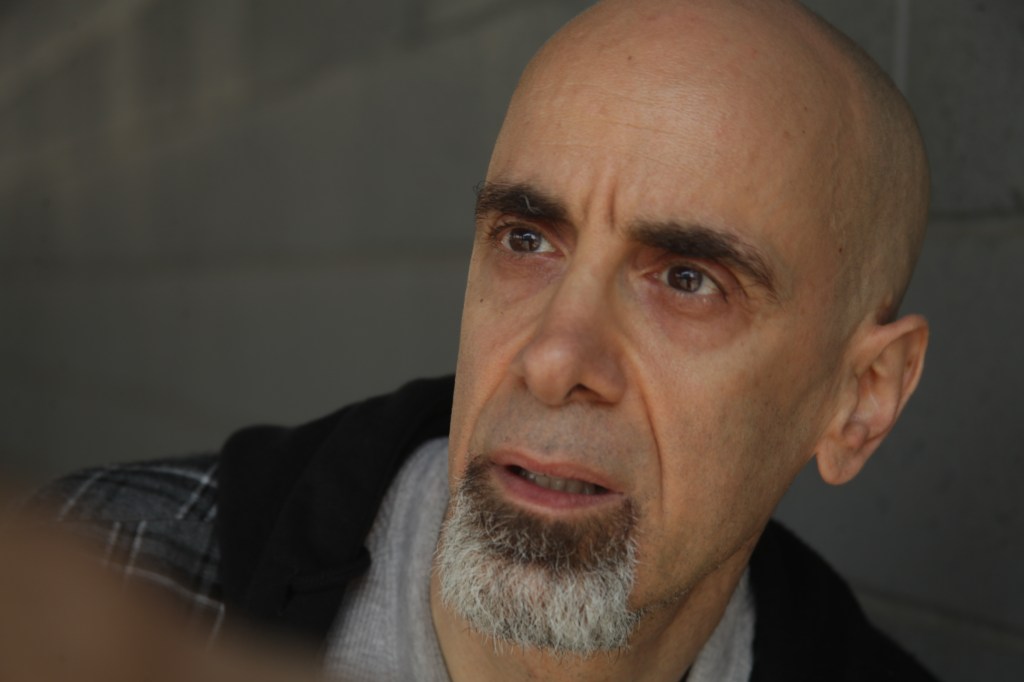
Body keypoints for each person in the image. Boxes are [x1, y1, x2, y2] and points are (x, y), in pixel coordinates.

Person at [30, 0, 938, 679]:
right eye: (527, 240)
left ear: (861, 400)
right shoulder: (113, 579)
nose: (553, 360)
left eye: (689, 281)